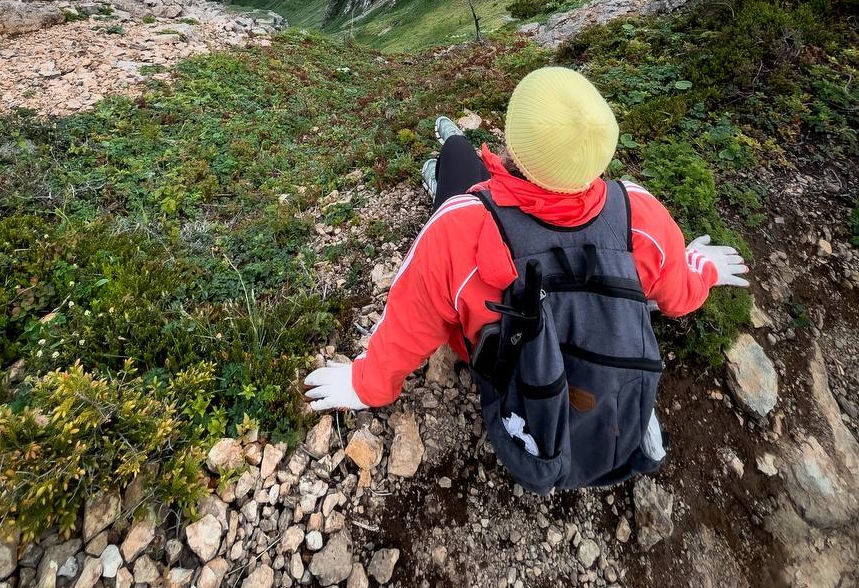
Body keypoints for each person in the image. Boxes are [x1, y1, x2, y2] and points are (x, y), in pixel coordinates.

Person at [305, 66, 749, 489]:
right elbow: (679, 296)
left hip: (515, 377)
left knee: (459, 161)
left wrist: (366, 385)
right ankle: (623, 417)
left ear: (514, 142)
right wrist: (702, 266)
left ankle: (444, 159)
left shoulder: (458, 228)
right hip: (600, 371)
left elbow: (409, 322)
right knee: (468, 173)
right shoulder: (640, 214)